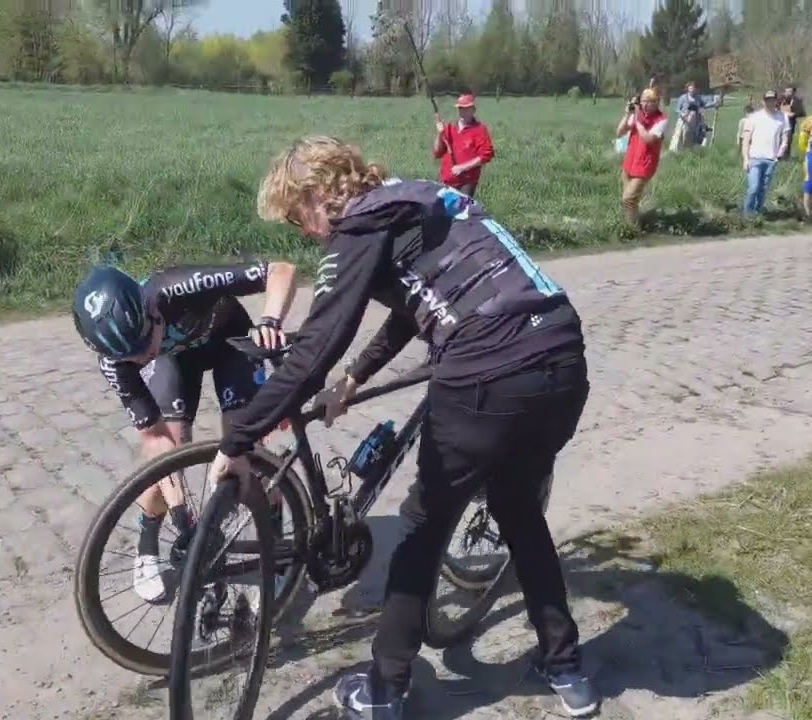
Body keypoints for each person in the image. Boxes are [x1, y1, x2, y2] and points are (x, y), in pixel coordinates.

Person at [208, 136, 599, 719]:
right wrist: (357, 376)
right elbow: (415, 305)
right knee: (518, 507)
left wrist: (239, 436)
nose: (306, 232)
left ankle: (384, 689)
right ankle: (567, 669)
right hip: (563, 358)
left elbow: (317, 345)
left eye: (297, 216)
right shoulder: (419, 200)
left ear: (318, 194)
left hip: (486, 372)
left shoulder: (358, 226)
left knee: (422, 525)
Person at [69, 257, 297, 602]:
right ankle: (147, 546)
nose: (142, 357)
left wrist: (270, 322)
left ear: (151, 312)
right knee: (164, 459)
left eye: (143, 343)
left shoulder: (175, 288)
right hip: (175, 362)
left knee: (249, 449)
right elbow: (156, 439)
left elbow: (281, 270)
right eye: (131, 358)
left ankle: (277, 547)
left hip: (229, 341)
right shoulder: (117, 359)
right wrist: (182, 516)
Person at [617, 87, 668, 229]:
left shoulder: (661, 120)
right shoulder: (637, 115)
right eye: (643, 101)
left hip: (645, 164)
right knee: (630, 201)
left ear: (656, 102)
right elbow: (619, 132)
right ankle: (636, 224)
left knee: (628, 199)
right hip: (630, 161)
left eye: (648, 102)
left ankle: (633, 229)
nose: (644, 104)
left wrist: (637, 121)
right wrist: (628, 115)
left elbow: (648, 139)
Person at [433, 93, 495, 198]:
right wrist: (439, 133)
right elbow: (437, 152)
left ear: (473, 110)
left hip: (466, 183)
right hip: (446, 181)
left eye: (466, 108)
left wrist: (462, 168)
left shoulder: (480, 130)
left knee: (461, 208)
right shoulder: (449, 128)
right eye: (460, 108)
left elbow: (486, 155)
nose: (462, 112)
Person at [740, 89, 788, 216]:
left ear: (776, 101)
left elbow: (785, 138)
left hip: (771, 159)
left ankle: (758, 212)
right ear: (763, 102)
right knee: (754, 187)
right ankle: (747, 214)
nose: (770, 103)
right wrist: (745, 159)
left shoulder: (782, 117)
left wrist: (780, 152)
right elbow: (746, 139)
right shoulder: (754, 117)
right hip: (755, 158)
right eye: (768, 100)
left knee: (763, 189)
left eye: (773, 100)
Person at [670, 80, 704, 153]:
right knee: (678, 135)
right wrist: (682, 113)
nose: (692, 90)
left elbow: (704, 105)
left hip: (693, 121)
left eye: (693, 88)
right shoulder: (683, 98)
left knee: (689, 136)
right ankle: (674, 152)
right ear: (688, 89)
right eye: (690, 88)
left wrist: (715, 103)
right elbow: (677, 109)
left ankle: (687, 152)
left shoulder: (698, 98)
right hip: (683, 120)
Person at [779, 86, 805, 160]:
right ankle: (777, 156)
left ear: (793, 92)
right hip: (779, 122)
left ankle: (785, 157)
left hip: (790, 123)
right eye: (787, 91)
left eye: (790, 91)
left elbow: (801, 113)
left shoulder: (796, 101)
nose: (788, 93)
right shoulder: (779, 100)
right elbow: (774, 109)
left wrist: (793, 114)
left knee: (787, 140)